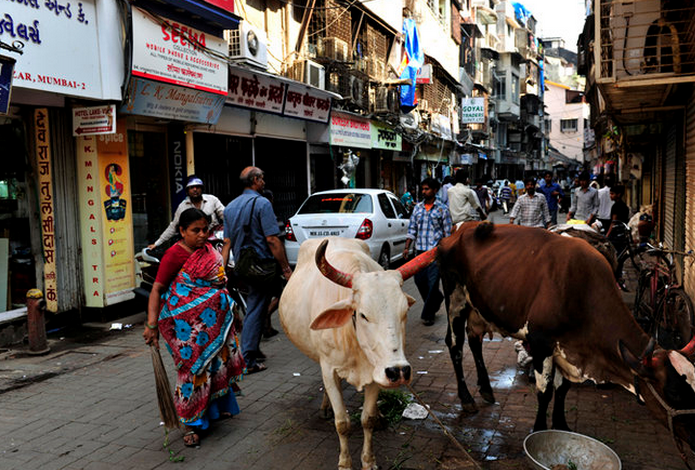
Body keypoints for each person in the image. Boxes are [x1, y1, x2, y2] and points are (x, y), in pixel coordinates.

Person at [143, 208, 245, 448]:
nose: (201, 235)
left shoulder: (208, 249)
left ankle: (217, 410)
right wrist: (151, 325)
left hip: (212, 325)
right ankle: (191, 423)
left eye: (205, 230)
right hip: (186, 328)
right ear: (181, 231)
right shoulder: (174, 255)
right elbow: (157, 289)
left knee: (215, 364)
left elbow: (219, 276)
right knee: (192, 370)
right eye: (195, 230)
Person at [221, 167, 293, 374]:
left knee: (257, 305)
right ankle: (248, 359)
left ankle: (253, 349)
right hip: (261, 266)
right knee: (256, 308)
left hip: (242, 266)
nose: (263, 182)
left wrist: (222, 271)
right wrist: (286, 268)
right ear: (254, 180)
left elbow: (227, 243)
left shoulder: (230, 207)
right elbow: (272, 239)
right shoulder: (262, 203)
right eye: (261, 178)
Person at [402, 177, 452, 326]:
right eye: (422, 189)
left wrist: (446, 253)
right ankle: (436, 300)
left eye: (427, 189)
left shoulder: (442, 209)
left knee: (432, 283)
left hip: (435, 253)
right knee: (419, 281)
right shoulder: (417, 208)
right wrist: (406, 247)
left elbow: (447, 233)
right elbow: (412, 229)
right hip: (420, 252)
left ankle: (428, 315)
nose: (424, 192)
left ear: (435, 190)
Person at [148, 175, 225, 250]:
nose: (195, 189)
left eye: (197, 187)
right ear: (187, 191)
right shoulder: (182, 206)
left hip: (214, 241)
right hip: (194, 244)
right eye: (192, 187)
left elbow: (225, 216)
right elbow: (173, 227)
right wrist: (157, 243)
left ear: (201, 189)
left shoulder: (212, 200)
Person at [605, 184, 630, 290]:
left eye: (612, 194)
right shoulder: (624, 206)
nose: (610, 196)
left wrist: (607, 236)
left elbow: (613, 222)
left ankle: (614, 279)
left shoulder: (616, 206)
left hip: (615, 236)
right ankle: (618, 279)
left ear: (618, 195)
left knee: (613, 258)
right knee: (620, 258)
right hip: (622, 235)